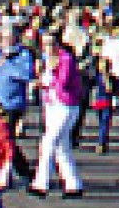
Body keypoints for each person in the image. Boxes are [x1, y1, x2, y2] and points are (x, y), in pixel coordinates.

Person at [29, 27, 86, 198]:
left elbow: (63, 83)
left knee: (48, 142)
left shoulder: (66, 59)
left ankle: (40, 184)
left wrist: (47, 77)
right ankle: (73, 185)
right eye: (45, 44)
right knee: (62, 146)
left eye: (51, 43)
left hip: (66, 106)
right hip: (51, 104)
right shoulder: (45, 60)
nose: (48, 47)